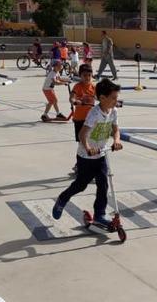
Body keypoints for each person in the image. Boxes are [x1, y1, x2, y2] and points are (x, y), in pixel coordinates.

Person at [53, 78, 123, 223]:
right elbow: (82, 134)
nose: (116, 101)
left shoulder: (114, 111)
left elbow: (116, 130)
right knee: (80, 185)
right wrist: (89, 148)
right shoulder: (94, 113)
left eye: (117, 98)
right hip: (86, 156)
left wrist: (117, 141)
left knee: (103, 185)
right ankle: (63, 198)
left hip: (102, 154)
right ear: (102, 98)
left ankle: (100, 214)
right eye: (113, 98)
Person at [69, 64, 96, 174]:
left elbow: (101, 97)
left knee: (92, 143)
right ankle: (79, 165)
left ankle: (90, 165)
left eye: (89, 75)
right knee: (82, 143)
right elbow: (72, 97)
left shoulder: (94, 87)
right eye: (85, 75)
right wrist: (75, 101)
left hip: (91, 120)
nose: (87, 78)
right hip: (80, 119)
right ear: (80, 75)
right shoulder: (77, 86)